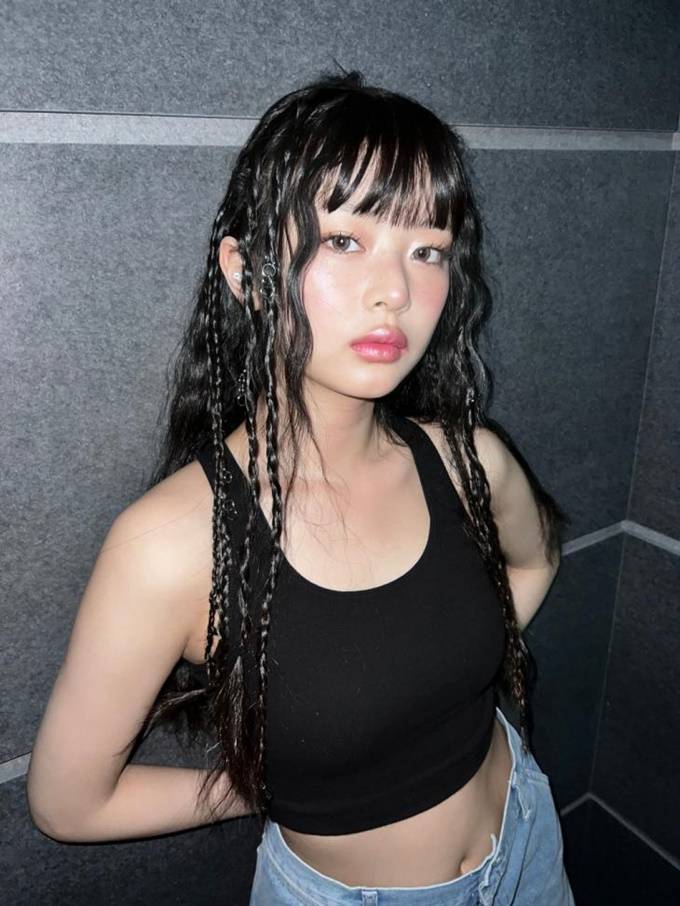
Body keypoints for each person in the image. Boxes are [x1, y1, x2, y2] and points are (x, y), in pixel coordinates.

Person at [27, 70, 575, 904]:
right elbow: (69, 803)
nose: (395, 291)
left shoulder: (469, 459)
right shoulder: (170, 544)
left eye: (427, 250)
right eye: (345, 241)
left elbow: (535, 562)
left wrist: (441, 684)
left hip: (529, 840)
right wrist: (274, 780)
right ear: (246, 270)